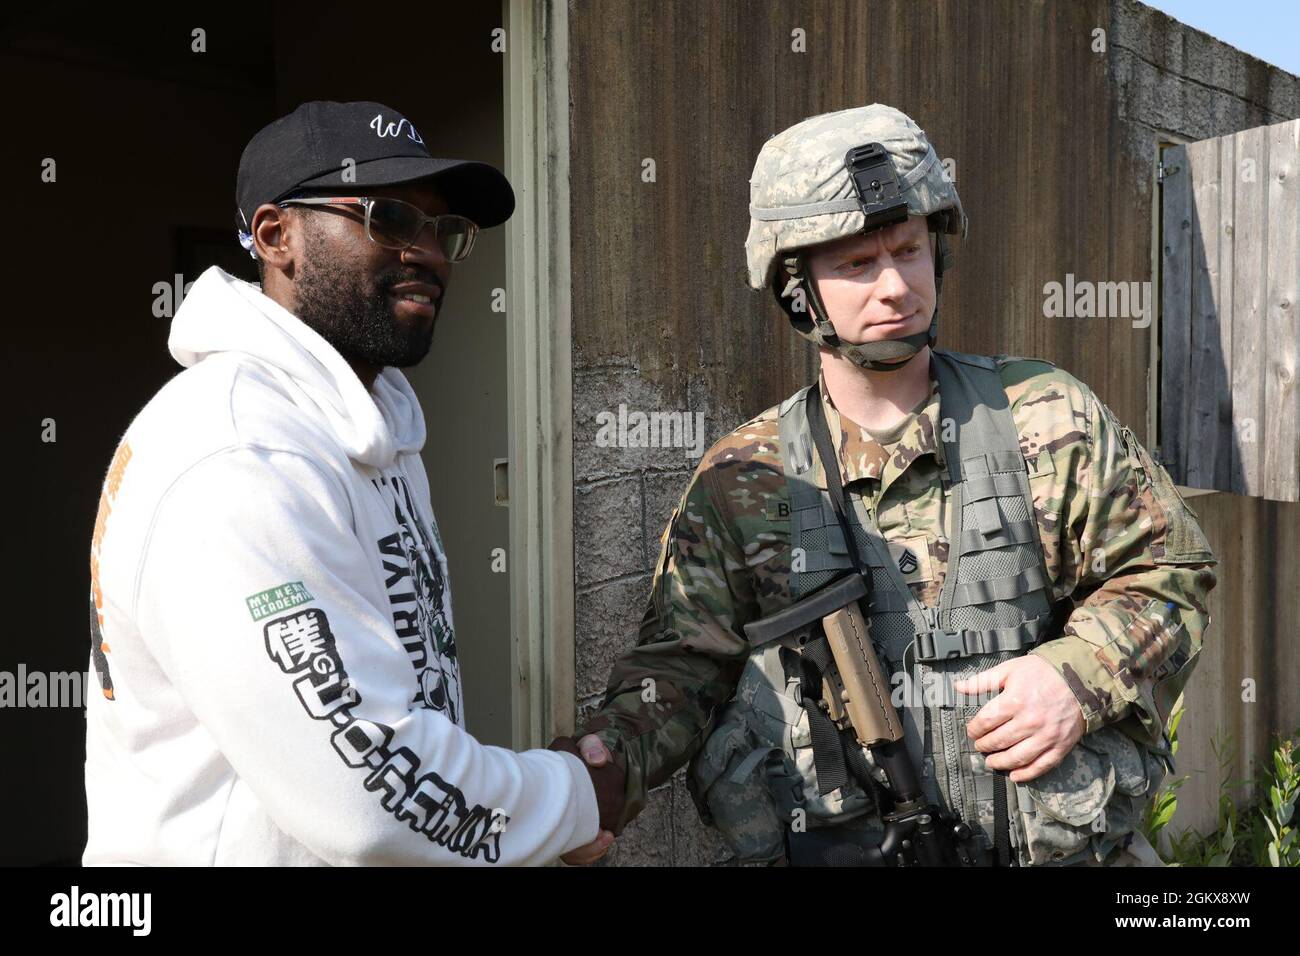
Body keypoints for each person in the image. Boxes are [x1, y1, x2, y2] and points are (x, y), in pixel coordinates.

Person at [557, 104, 1218, 867]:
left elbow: (1170, 571)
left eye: (908, 250)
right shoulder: (746, 477)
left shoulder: (1046, 414)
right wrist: (594, 785)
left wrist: (1079, 676)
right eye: (856, 265)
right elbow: (680, 670)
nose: (896, 285)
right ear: (797, 289)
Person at [84, 100, 620, 866]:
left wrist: (530, 814)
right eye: (392, 217)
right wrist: (568, 798)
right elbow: (368, 797)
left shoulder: (369, 423)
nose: (429, 253)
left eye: (444, 231)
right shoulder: (238, 453)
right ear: (277, 237)